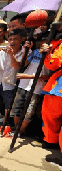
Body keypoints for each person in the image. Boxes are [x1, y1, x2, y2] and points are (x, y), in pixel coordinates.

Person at [10, 32, 51, 136]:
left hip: (37, 88)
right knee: (16, 108)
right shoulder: (36, 52)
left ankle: (21, 131)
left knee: (29, 112)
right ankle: (16, 130)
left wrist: (28, 76)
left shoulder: (53, 57)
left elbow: (49, 77)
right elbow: (23, 64)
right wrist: (27, 50)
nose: (42, 45)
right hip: (23, 84)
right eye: (41, 42)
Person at [40, 21, 62, 151]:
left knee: (51, 114)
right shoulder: (56, 42)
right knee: (49, 114)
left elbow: (54, 63)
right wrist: (48, 52)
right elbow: (52, 64)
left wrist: (49, 54)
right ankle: (51, 141)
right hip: (56, 83)